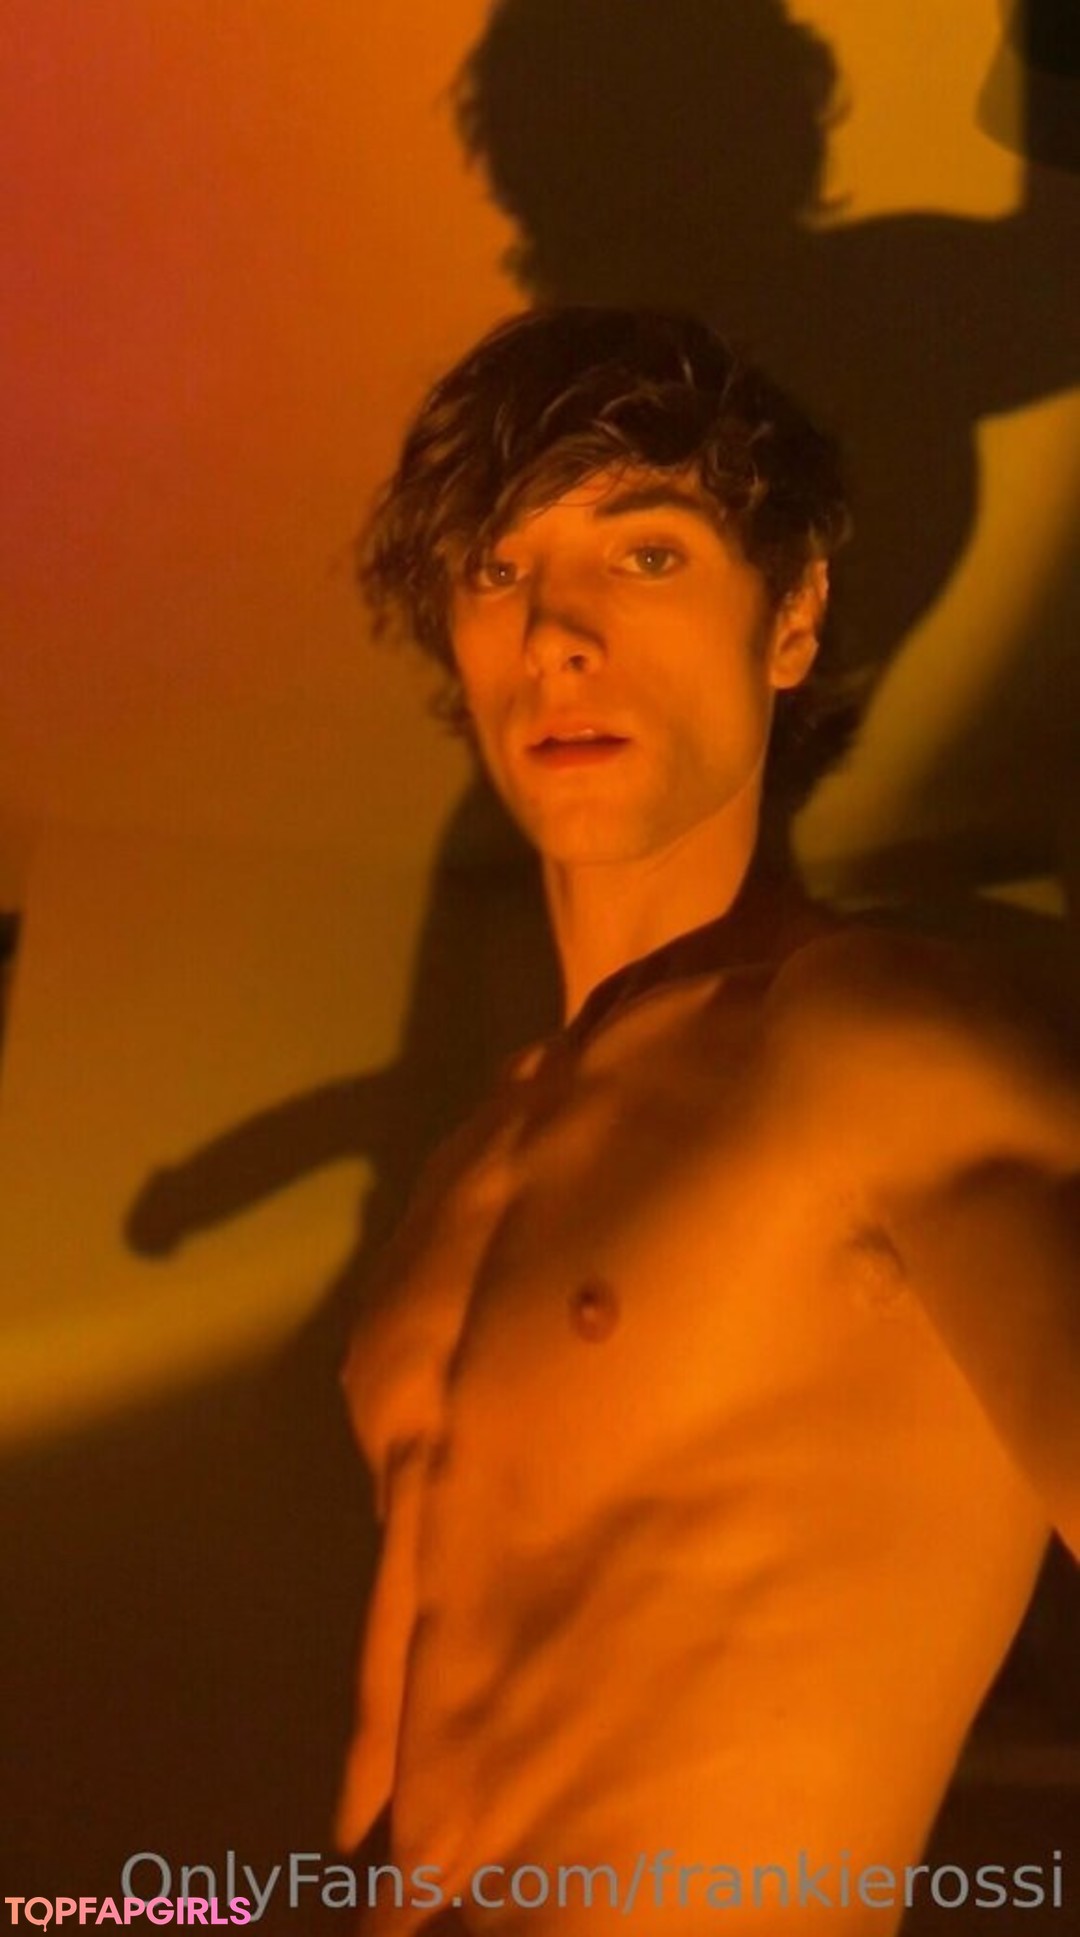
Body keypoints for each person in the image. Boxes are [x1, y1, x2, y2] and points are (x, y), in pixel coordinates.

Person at [333, 307, 1080, 1933]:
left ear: (792, 616)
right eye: (498, 570)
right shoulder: (462, 1174)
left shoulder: (874, 1047)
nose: (558, 632)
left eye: (647, 554)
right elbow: (387, 1787)